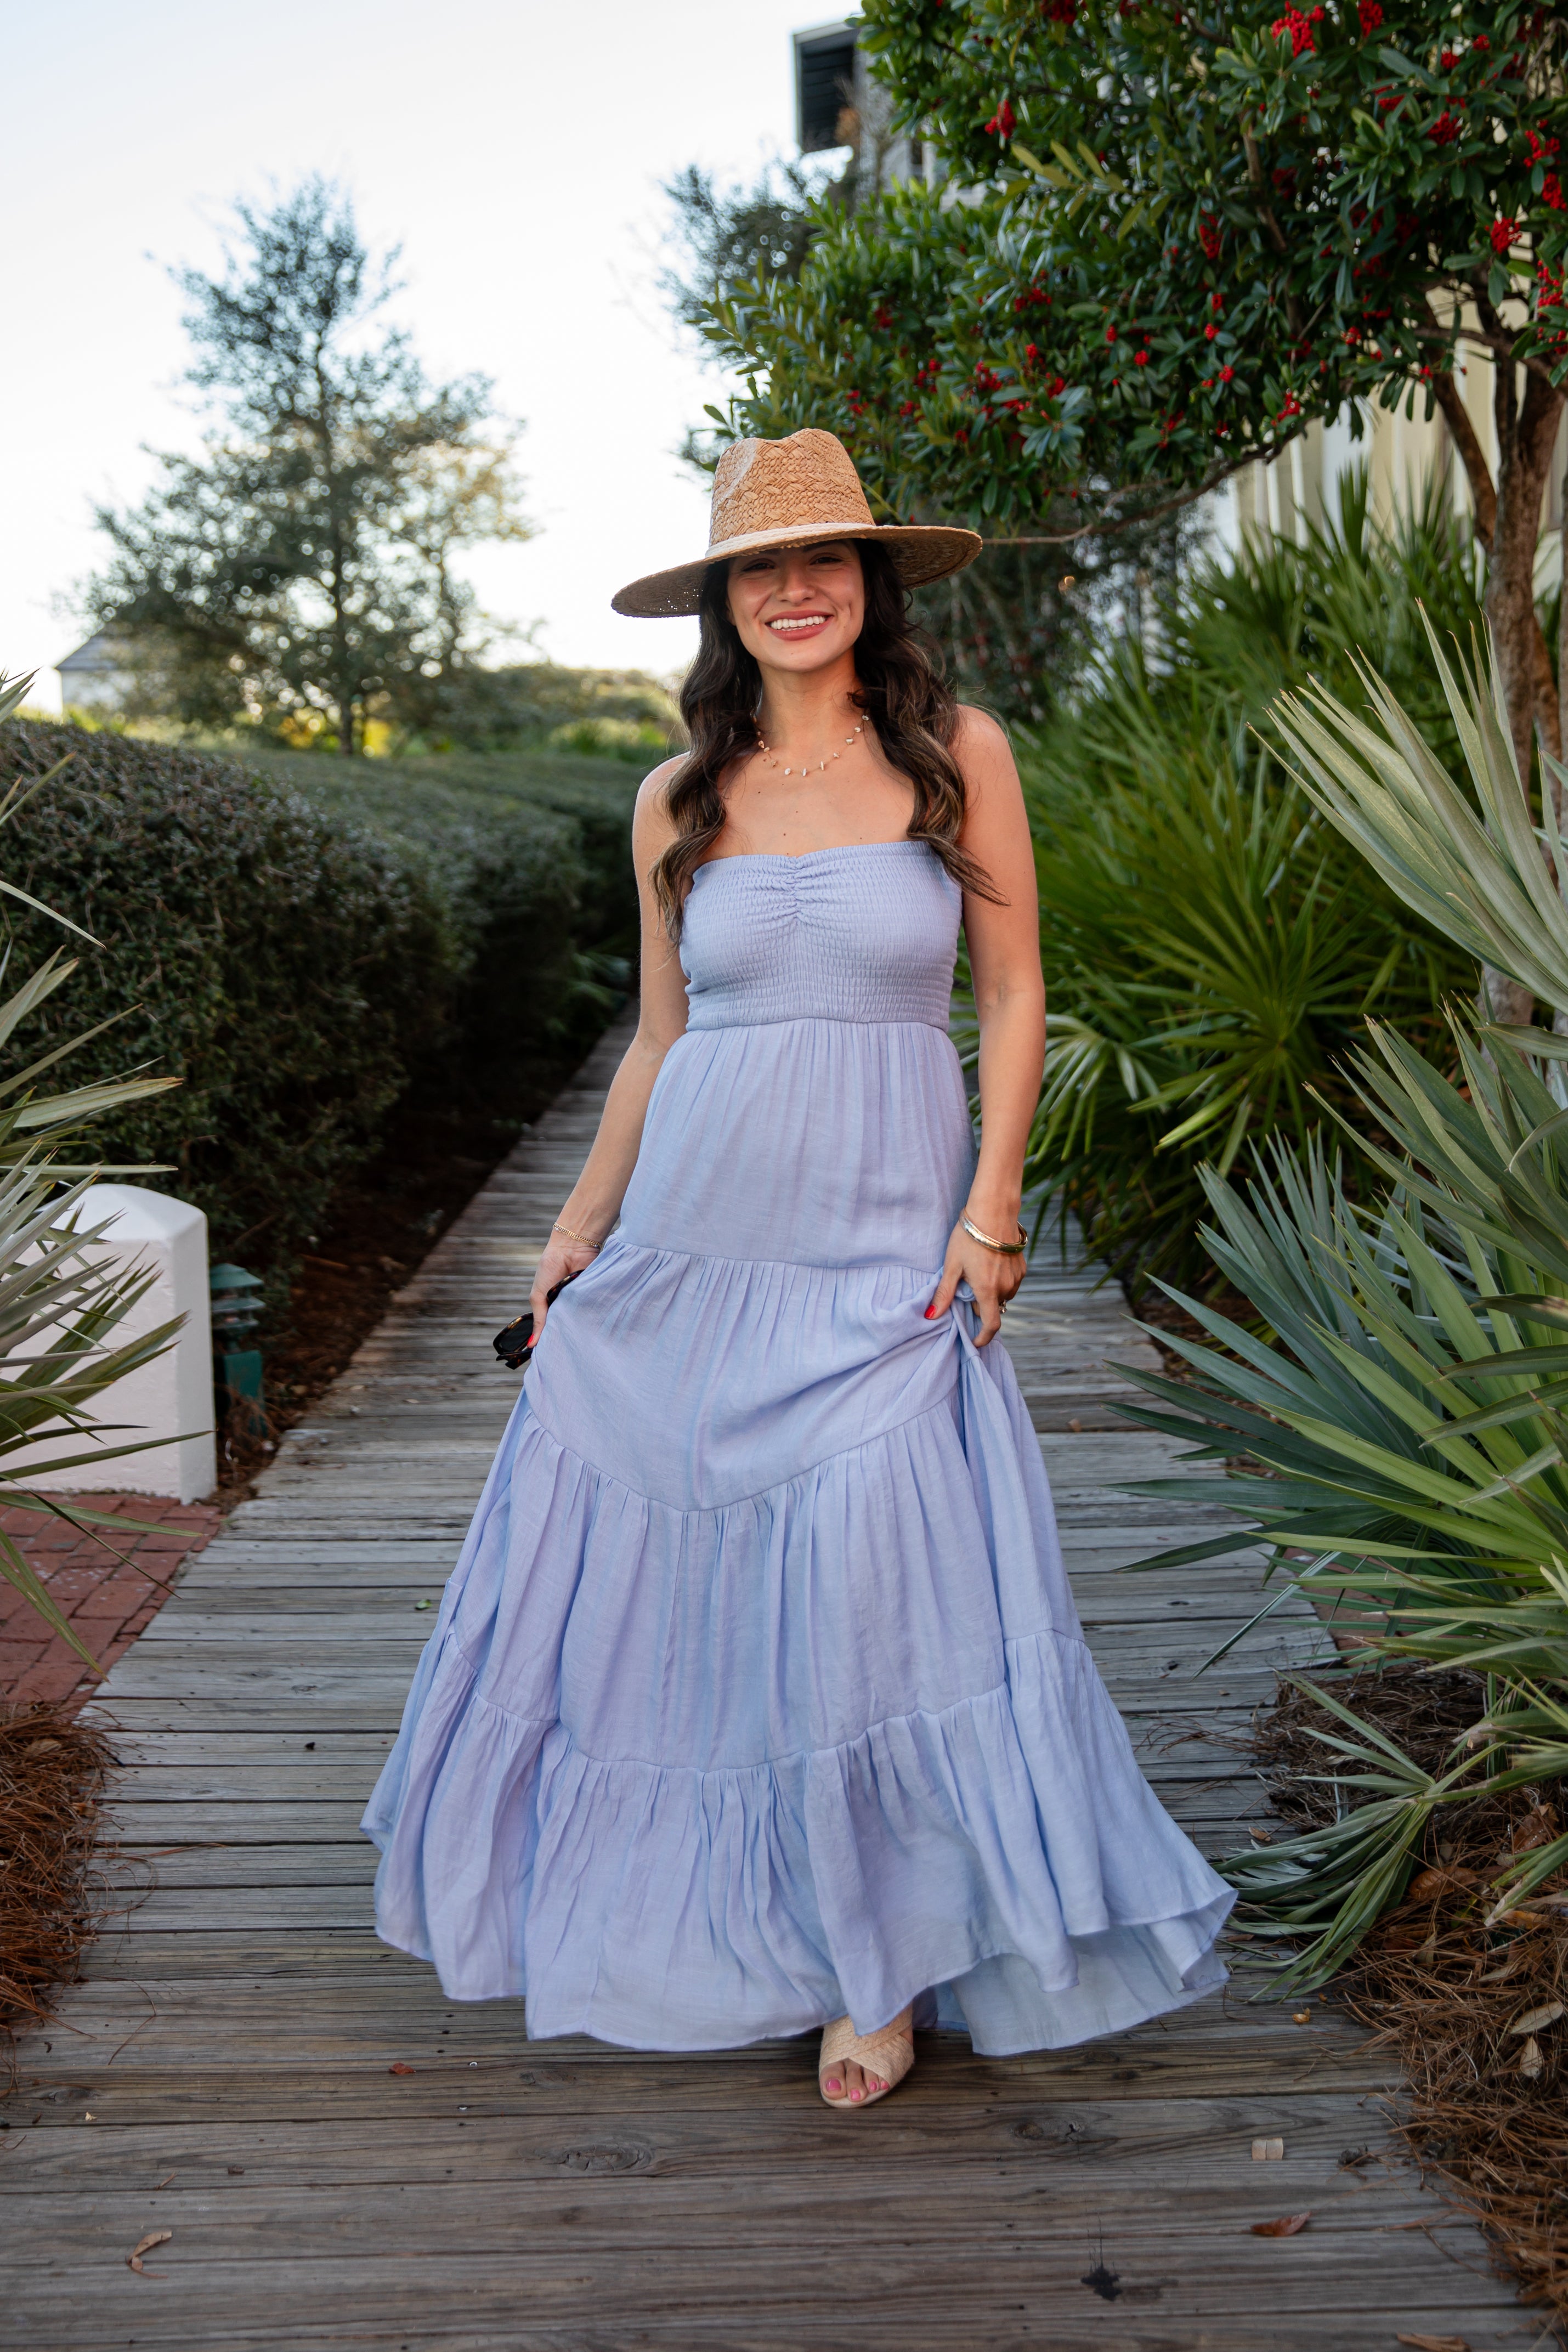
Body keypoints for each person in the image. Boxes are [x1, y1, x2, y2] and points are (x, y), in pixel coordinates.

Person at [364, 428, 1232, 2108]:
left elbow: (1009, 995)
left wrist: (992, 1212)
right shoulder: (674, 799)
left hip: (884, 1261)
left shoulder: (952, 752)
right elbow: (657, 1038)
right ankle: (744, 1926)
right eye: (758, 567)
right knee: (706, 1610)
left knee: (874, 1610)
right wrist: (572, 1236)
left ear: (871, 582)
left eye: (822, 560)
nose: (794, 589)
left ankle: (880, 1965)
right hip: (699, 1250)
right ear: (720, 603)